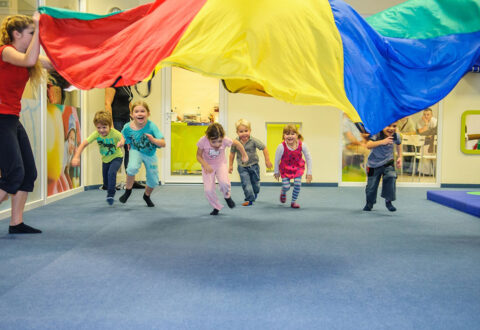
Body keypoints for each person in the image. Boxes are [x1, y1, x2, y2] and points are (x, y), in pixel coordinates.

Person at [0, 13, 52, 234]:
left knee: (28, 172)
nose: (34, 37)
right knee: (13, 174)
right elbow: (30, 60)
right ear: (17, 33)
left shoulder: (26, 55)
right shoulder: (6, 51)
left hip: (11, 118)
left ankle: (16, 223)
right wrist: (40, 26)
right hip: (1, 118)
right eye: (31, 33)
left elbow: (53, 64)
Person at [72, 111, 124, 205]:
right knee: (106, 182)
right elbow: (83, 144)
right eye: (98, 127)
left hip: (117, 157)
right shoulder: (96, 134)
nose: (101, 130)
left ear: (110, 125)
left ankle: (111, 194)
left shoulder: (115, 133)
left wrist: (121, 143)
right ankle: (109, 188)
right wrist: (76, 157)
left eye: (104, 127)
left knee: (111, 172)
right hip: (105, 160)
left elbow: (123, 138)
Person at [119, 101, 165, 207]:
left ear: (148, 114)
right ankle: (128, 191)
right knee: (132, 168)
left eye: (142, 111)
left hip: (150, 154)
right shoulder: (127, 127)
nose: (139, 114)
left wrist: (153, 140)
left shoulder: (152, 126)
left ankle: (147, 195)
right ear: (132, 114)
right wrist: (122, 142)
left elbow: (163, 143)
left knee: (153, 180)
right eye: (136, 111)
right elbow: (124, 136)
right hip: (136, 150)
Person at [197, 122, 248, 215]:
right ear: (208, 137)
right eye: (214, 142)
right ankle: (216, 206)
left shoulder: (225, 139)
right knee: (208, 190)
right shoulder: (203, 141)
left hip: (220, 164)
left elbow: (237, 144)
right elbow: (198, 156)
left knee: (224, 183)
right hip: (208, 166)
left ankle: (227, 196)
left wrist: (244, 155)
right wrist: (205, 164)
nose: (217, 144)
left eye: (219, 141)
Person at [105, 85, 144, 189]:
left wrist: (135, 116)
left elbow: (128, 102)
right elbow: (107, 103)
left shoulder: (127, 85)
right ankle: (109, 183)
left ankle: (130, 180)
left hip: (126, 120)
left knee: (129, 149)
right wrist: (111, 125)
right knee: (114, 150)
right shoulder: (112, 83)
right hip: (116, 120)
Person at [229, 119, 272, 206]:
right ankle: (249, 199)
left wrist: (267, 160)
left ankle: (255, 192)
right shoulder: (235, 142)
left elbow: (264, 148)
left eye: (246, 131)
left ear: (250, 131)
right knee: (246, 183)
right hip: (242, 167)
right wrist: (230, 165)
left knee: (256, 184)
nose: (244, 133)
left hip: (254, 166)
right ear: (237, 132)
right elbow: (232, 153)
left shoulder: (253, 141)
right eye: (241, 131)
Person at [363, 122, 402, 212]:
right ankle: (369, 203)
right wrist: (382, 142)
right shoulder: (376, 133)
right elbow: (368, 145)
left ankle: (388, 201)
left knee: (391, 176)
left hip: (388, 162)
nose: (391, 128)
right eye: (388, 125)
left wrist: (400, 157)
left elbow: (399, 144)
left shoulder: (396, 135)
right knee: (371, 187)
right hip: (373, 164)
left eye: (394, 126)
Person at [273, 124, 313, 209]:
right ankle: (283, 191)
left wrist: (309, 173)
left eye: (292, 134)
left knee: (298, 184)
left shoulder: (302, 145)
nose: (290, 136)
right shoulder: (281, 147)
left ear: (297, 135)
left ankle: (293, 202)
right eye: (287, 134)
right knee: (286, 186)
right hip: (285, 168)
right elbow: (276, 159)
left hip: (298, 167)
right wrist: (276, 171)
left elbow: (309, 158)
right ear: (283, 136)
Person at [415, 108, 437, 175]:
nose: (426, 116)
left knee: (427, 149)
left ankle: (431, 172)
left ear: (431, 115)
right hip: (423, 142)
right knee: (423, 149)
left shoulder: (435, 121)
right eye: (424, 115)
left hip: (434, 142)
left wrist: (427, 134)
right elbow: (420, 132)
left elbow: (434, 134)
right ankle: (425, 172)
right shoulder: (420, 121)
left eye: (428, 114)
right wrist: (426, 124)